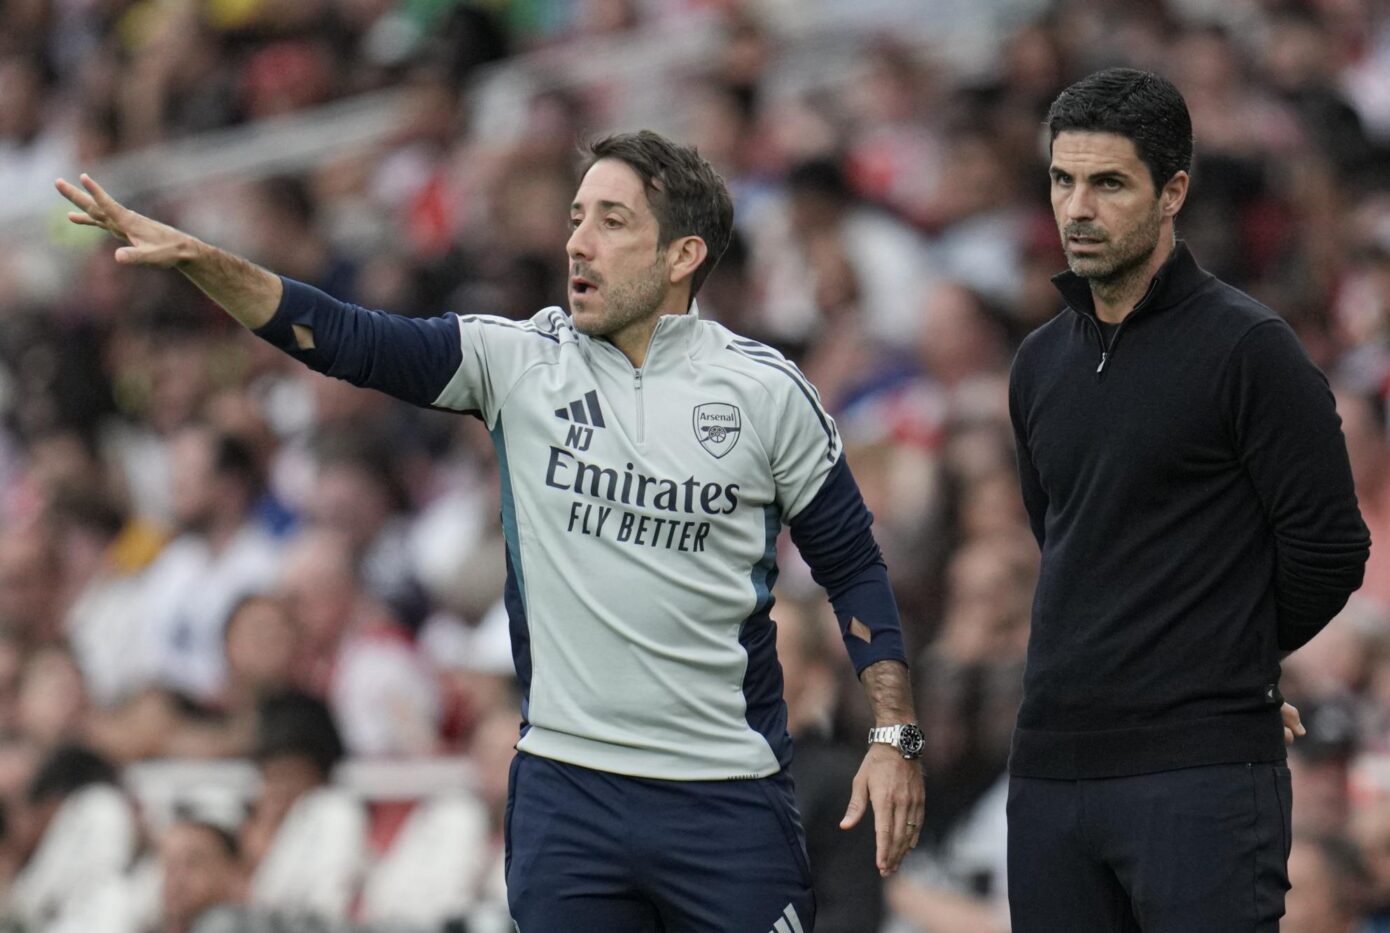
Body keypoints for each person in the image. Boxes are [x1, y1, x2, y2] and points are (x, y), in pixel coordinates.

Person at [57, 128, 924, 932]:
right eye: (575, 217)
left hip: (725, 794)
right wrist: (204, 262)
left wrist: (891, 736)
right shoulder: (517, 363)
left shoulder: (766, 394)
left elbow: (853, 565)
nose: (578, 243)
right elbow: (343, 337)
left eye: (612, 221)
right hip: (569, 795)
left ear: (681, 255)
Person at [1006, 68, 1371, 931]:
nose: (1077, 208)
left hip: (1201, 773)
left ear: (1172, 191)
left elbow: (1330, 548)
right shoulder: (1038, 363)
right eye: (1063, 180)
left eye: (1109, 183)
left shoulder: (1250, 348)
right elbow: (1065, 540)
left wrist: (1223, 657)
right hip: (1051, 770)